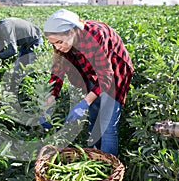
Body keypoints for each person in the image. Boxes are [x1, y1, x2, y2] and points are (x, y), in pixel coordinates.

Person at [40, 9, 134, 156]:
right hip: (93, 72)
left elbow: (106, 78)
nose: (57, 47)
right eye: (53, 44)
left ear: (71, 32)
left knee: (107, 126)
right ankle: (95, 155)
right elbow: (57, 72)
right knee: (94, 118)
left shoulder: (95, 37)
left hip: (114, 71)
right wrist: (50, 99)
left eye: (59, 42)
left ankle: (108, 168)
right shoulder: (64, 45)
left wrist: (84, 103)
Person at [0, 17, 42, 92]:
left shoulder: (5, 26)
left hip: (35, 40)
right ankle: (12, 94)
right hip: (24, 44)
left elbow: (13, 50)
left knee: (32, 68)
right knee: (17, 71)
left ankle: (34, 93)